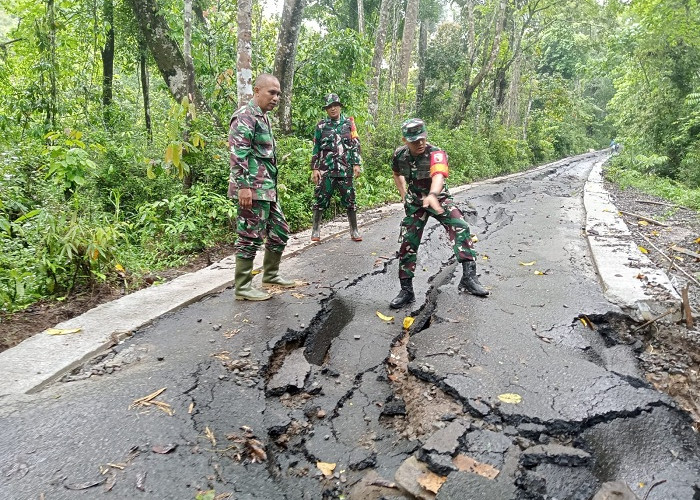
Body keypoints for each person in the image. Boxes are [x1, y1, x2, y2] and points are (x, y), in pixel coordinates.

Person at [389, 118, 489, 309]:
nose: (420, 144)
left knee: (461, 227)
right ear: (405, 140)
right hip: (416, 202)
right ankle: (406, 290)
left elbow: (439, 176)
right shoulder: (399, 155)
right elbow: (396, 173)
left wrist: (433, 195)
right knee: (407, 242)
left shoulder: (436, 153)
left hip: (439, 198)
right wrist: (404, 196)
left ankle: (469, 278)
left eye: (422, 139)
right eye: (414, 141)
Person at [228, 74, 295, 301]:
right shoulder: (245, 117)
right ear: (256, 91)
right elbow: (239, 155)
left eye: (278, 94)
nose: (276, 98)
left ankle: (271, 275)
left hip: (266, 189)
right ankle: (243, 287)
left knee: (280, 231)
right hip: (252, 188)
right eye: (271, 93)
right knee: (249, 236)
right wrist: (244, 187)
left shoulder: (263, 118)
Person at [310, 93, 363, 242]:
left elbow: (355, 144)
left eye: (335, 106)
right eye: (329, 107)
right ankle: (315, 230)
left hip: (345, 169)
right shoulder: (321, 125)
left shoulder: (349, 124)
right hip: (326, 169)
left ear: (339, 107)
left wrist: (356, 164)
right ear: (326, 109)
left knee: (350, 200)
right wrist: (314, 168)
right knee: (320, 199)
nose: (332, 109)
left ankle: (354, 230)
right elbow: (316, 147)